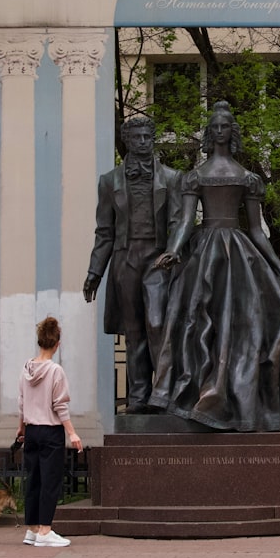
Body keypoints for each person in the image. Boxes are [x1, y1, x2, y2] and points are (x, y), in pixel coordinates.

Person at [147, 101, 280, 431]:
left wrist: (279, 267)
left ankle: (250, 400)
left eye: (225, 126)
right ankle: (195, 394)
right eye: (215, 127)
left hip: (240, 250)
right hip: (204, 250)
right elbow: (184, 222)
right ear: (209, 134)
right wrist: (174, 250)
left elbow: (255, 230)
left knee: (271, 311)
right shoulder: (195, 177)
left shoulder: (248, 178)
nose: (219, 131)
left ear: (232, 133)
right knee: (197, 318)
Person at [84, 116, 182, 414]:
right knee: (134, 330)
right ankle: (139, 395)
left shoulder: (172, 178)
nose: (142, 142)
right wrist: (94, 272)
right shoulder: (109, 181)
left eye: (147, 137)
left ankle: (165, 392)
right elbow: (104, 232)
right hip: (125, 258)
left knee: (157, 324)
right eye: (137, 137)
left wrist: (174, 251)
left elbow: (178, 222)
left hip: (158, 259)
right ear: (126, 140)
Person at [16, 316, 83, 547]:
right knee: (50, 481)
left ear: (39, 342)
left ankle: (32, 529)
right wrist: (72, 433)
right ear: (57, 344)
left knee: (33, 479)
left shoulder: (27, 368)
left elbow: (22, 402)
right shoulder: (56, 371)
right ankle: (45, 530)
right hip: (51, 431)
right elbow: (60, 405)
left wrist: (21, 427)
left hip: (31, 430)